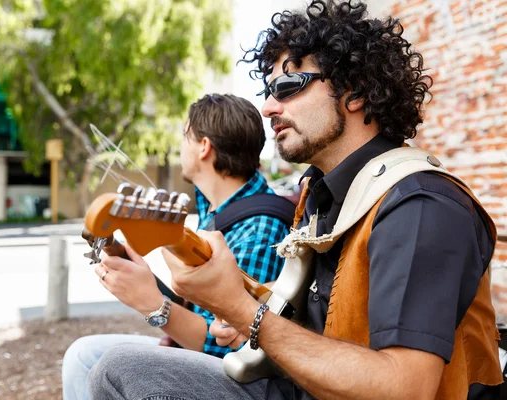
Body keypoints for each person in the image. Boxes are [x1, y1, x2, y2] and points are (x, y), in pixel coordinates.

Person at [87, 1, 503, 399]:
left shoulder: (420, 204)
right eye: (269, 90)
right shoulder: (321, 194)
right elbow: (336, 318)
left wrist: (243, 312)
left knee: (118, 367)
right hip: (302, 388)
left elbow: (405, 388)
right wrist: (254, 303)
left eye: (288, 85)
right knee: (98, 360)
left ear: (354, 92)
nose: (268, 107)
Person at [62, 93, 291, 400]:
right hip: (213, 356)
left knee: (105, 364)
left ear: (204, 147)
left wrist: (153, 305)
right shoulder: (214, 209)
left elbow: (229, 347)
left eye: (186, 136)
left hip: (243, 378)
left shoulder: (261, 227)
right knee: (82, 355)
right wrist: (146, 281)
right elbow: (202, 307)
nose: (181, 147)